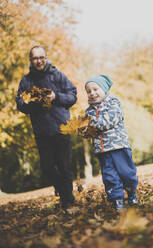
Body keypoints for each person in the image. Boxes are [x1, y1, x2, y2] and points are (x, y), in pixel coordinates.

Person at [16, 46, 77, 208]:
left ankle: (68, 201)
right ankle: (61, 189)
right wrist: (31, 102)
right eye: (35, 58)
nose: (39, 61)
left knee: (64, 167)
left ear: (46, 57)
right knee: (47, 169)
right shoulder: (26, 80)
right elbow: (20, 104)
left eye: (41, 57)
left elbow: (72, 96)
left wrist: (56, 97)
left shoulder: (57, 75)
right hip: (42, 132)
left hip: (62, 128)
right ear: (31, 61)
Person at [82, 74, 138, 210]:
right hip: (102, 150)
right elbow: (87, 130)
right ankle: (117, 199)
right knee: (109, 176)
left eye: (96, 89)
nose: (92, 93)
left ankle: (131, 191)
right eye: (89, 91)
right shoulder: (88, 111)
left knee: (126, 173)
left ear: (104, 89)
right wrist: (84, 130)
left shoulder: (113, 102)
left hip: (118, 146)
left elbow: (110, 120)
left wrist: (93, 124)